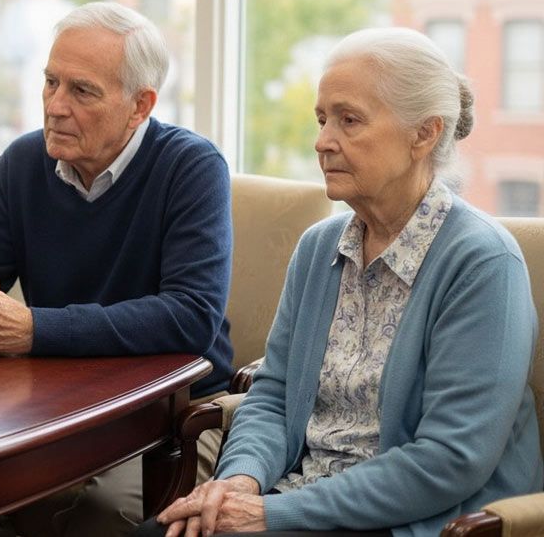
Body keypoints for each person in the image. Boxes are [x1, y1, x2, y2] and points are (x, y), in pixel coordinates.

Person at [143, 27, 542, 537]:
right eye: (321, 119)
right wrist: (242, 480)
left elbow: (449, 459)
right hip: (293, 501)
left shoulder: (483, 264)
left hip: (417, 522)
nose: (322, 141)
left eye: (349, 120)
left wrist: (271, 514)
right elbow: (274, 394)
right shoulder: (319, 247)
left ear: (425, 134)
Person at [0, 2, 234, 536]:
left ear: (140, 106)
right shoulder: (23, 163)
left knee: (95, 517)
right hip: (55, 408)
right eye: (50, 82)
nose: (55, 106)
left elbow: (191, 317)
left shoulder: (191, 167)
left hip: (172, 415)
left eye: (81, 90)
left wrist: (34, 329)